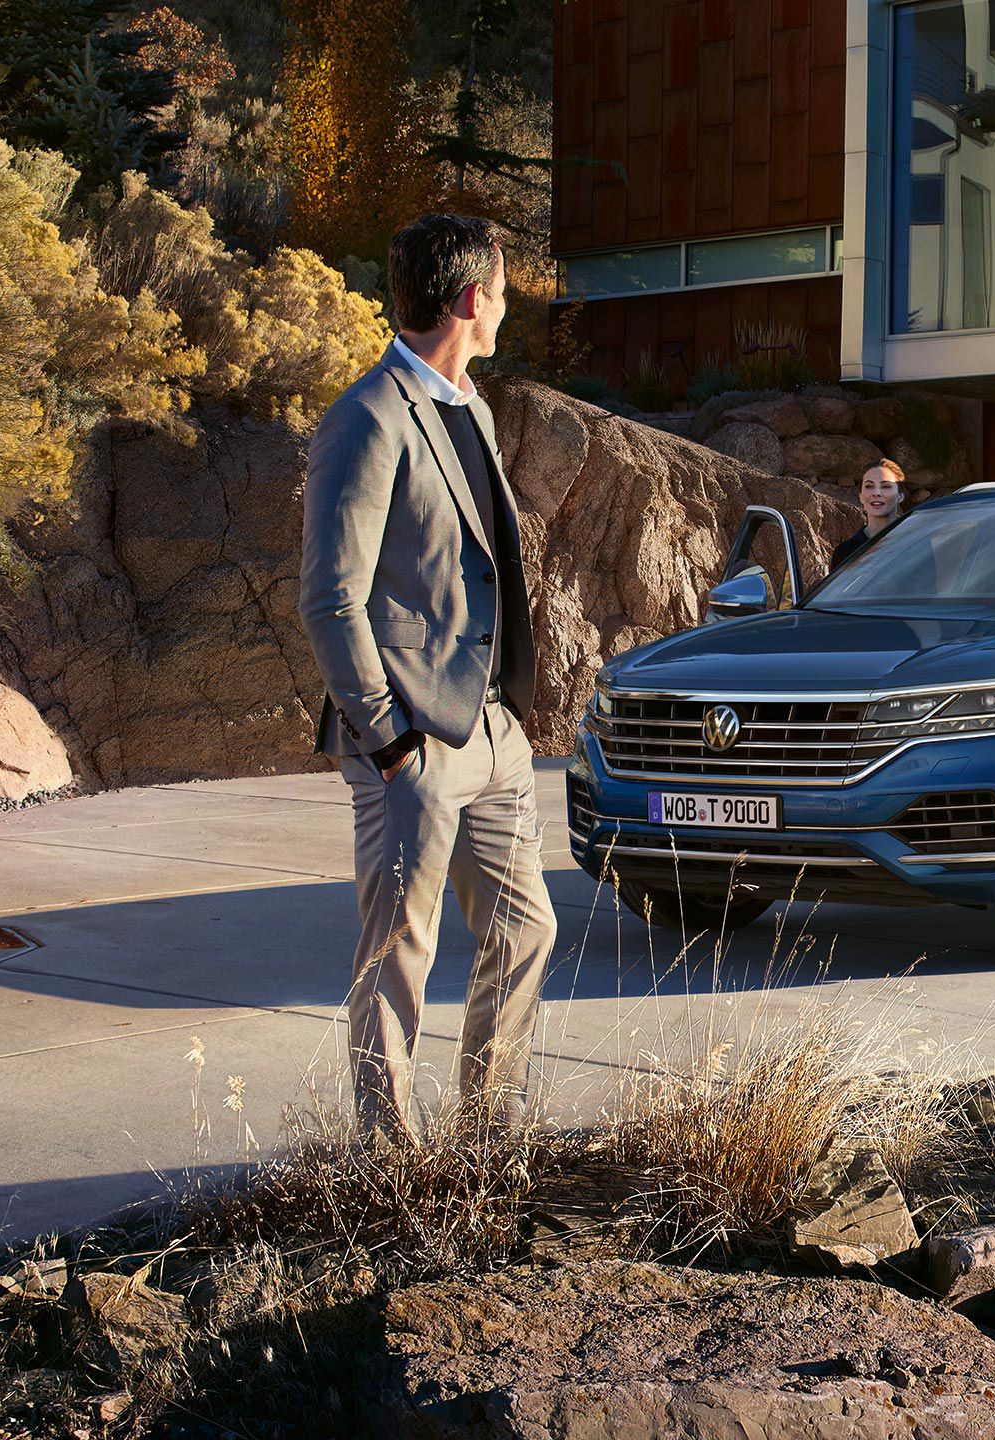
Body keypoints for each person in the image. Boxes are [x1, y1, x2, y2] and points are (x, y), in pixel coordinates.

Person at [299, 213, 558, 1140]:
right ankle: (390, 1158)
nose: (506, 309)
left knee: (527, 931)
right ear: (467, 299)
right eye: (501, 291)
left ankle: (489, 1138)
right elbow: (331, 601)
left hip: (491, 730)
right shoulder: (365, 419)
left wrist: (508, 721)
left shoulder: (473, 409)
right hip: (409, 739)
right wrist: (391, 740)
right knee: (400, 954)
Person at [830, 458, 905, 570]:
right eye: (869, 486)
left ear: (900, 495)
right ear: (860, 496)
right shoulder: (845, 553)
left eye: (886, 486)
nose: (876, 493)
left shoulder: (916, 542)